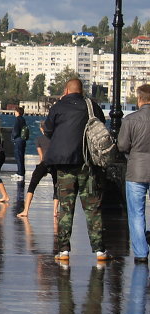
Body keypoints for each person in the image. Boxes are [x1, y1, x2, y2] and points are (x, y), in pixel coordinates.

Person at [42, 78, 109, 263]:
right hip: (88, 164)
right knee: (93, 208)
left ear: (66, 90)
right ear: (82, 91)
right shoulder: (92, 106)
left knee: (66, 207)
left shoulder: (58, 107)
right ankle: (100, 251)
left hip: (64, 165)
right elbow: (101, 127)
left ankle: (63, 251)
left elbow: (48, 130)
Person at [117, 83, 150, 264]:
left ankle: (141, 253)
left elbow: (122, 145)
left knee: (136, 213)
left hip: (136, 170)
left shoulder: (130, 120)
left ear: (139, 99)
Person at [16, 135, 58, 219]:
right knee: (56, 186)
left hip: (44, 163)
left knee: (32, 185)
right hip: (55, 163)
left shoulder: (39, 138)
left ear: (42, 129)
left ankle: (26, 210)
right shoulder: (55, 138)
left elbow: (41, 156)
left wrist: (41, 169)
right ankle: (55, 211)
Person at [11, 106, 29, 180]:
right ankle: (21, 172)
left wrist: (13, 138)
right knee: (21, 157)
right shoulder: (23, 119)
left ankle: (20, 173)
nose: (14, 113)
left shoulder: (18, 119)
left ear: (17, 112)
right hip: (22, 140)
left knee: (18, 156)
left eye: (15, 111)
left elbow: (16, 130)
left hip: (18, 140)